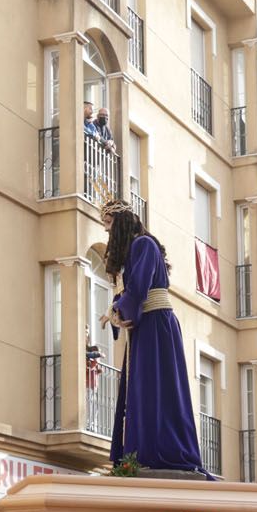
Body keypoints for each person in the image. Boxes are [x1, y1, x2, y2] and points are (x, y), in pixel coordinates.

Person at [101, 197, 207, 475]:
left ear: (122, 224)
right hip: (147, 326)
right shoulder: (137, 250)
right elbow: (131, 292)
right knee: (143, 390)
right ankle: (142, 451)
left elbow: (138, 290)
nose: (108, 233)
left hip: (156, 325)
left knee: (155, 389)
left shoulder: (143, 245)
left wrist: (120, 310)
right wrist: (117, 310)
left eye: (109, 226)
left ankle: (160, 449)